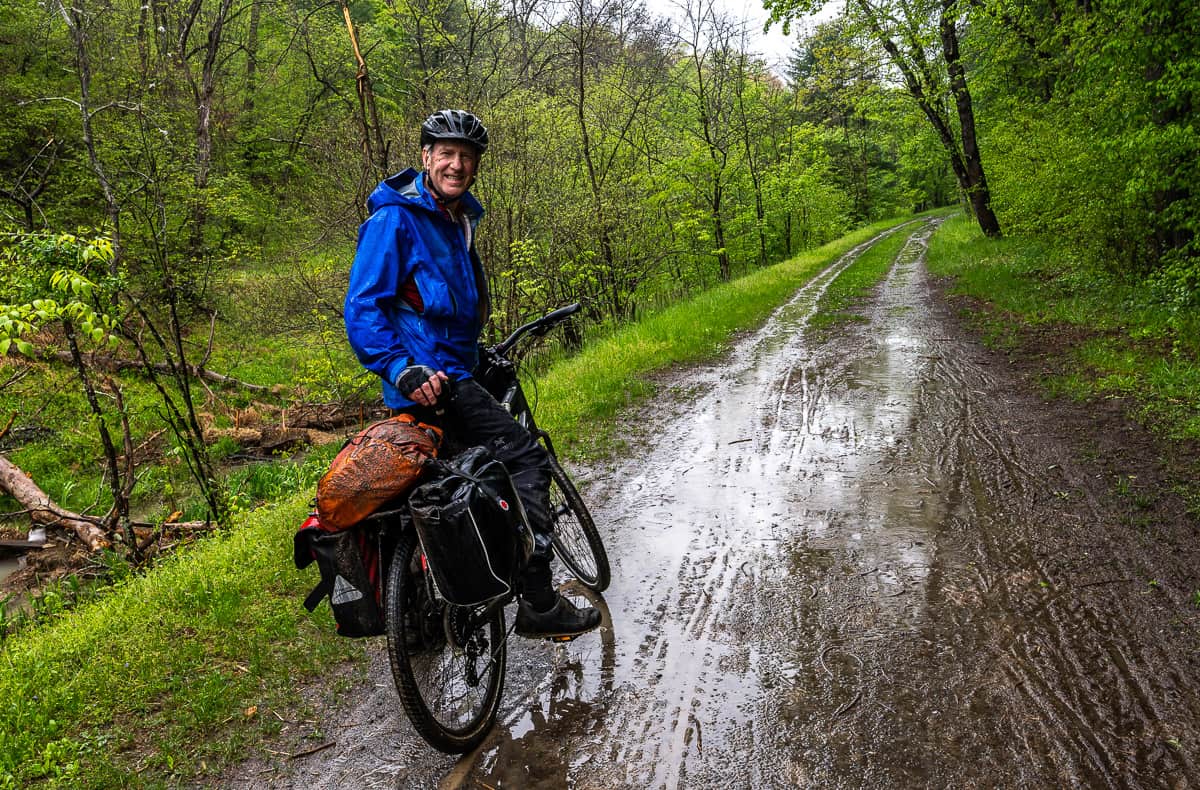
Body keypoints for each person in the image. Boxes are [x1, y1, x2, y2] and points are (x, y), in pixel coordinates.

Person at [343, 109, 600, 639]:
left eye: (466, 156)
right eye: (446, 154)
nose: (456, 164)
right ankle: (540, 600)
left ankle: (438, 601)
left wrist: (476, 352)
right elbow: (364, 307)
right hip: (428, 379)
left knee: (463, 481)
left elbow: (441, 308)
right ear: (425, 158)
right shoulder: (397, 219)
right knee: (524, 457)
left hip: (454, 365)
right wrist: (400, 366)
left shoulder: (457, 219)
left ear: (476, 165)